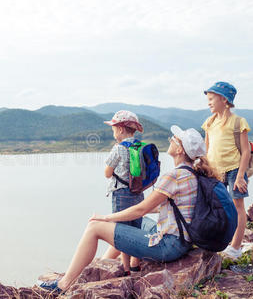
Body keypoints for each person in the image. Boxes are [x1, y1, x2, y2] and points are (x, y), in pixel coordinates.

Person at [39, 126, 218, 294]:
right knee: (130, 225)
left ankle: (63, 284)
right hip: (180, 240)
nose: (170, 139)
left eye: (174, 139)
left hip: (168, 246)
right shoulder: (191, 173)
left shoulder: (174, 176)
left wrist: (106, 218)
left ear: (180, 150)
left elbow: (141, 209)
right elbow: (163, 208)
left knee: (95, 227)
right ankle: (101, 265)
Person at [202, 81, 251, 260]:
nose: (208, 103)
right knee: (218, 208)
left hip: (234, 170)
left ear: (224, 99)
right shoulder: (209, 122)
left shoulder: (238, 122)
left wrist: (240, 176)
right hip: (215, 172)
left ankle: (236, 248)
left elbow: (245, 152)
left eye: (211, 99)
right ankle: (220, 242)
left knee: (238, 207)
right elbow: (206, 150)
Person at [102, 110, 145, 275]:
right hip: (138, 194)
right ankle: (135, 264)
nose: (113, 132)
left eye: (113, 128)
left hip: (121, 195)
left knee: (122, 231)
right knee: (135, 230)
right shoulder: (141, 146)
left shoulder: (118, 149)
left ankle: (125, 269)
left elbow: (107, 173)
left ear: (120, 129)